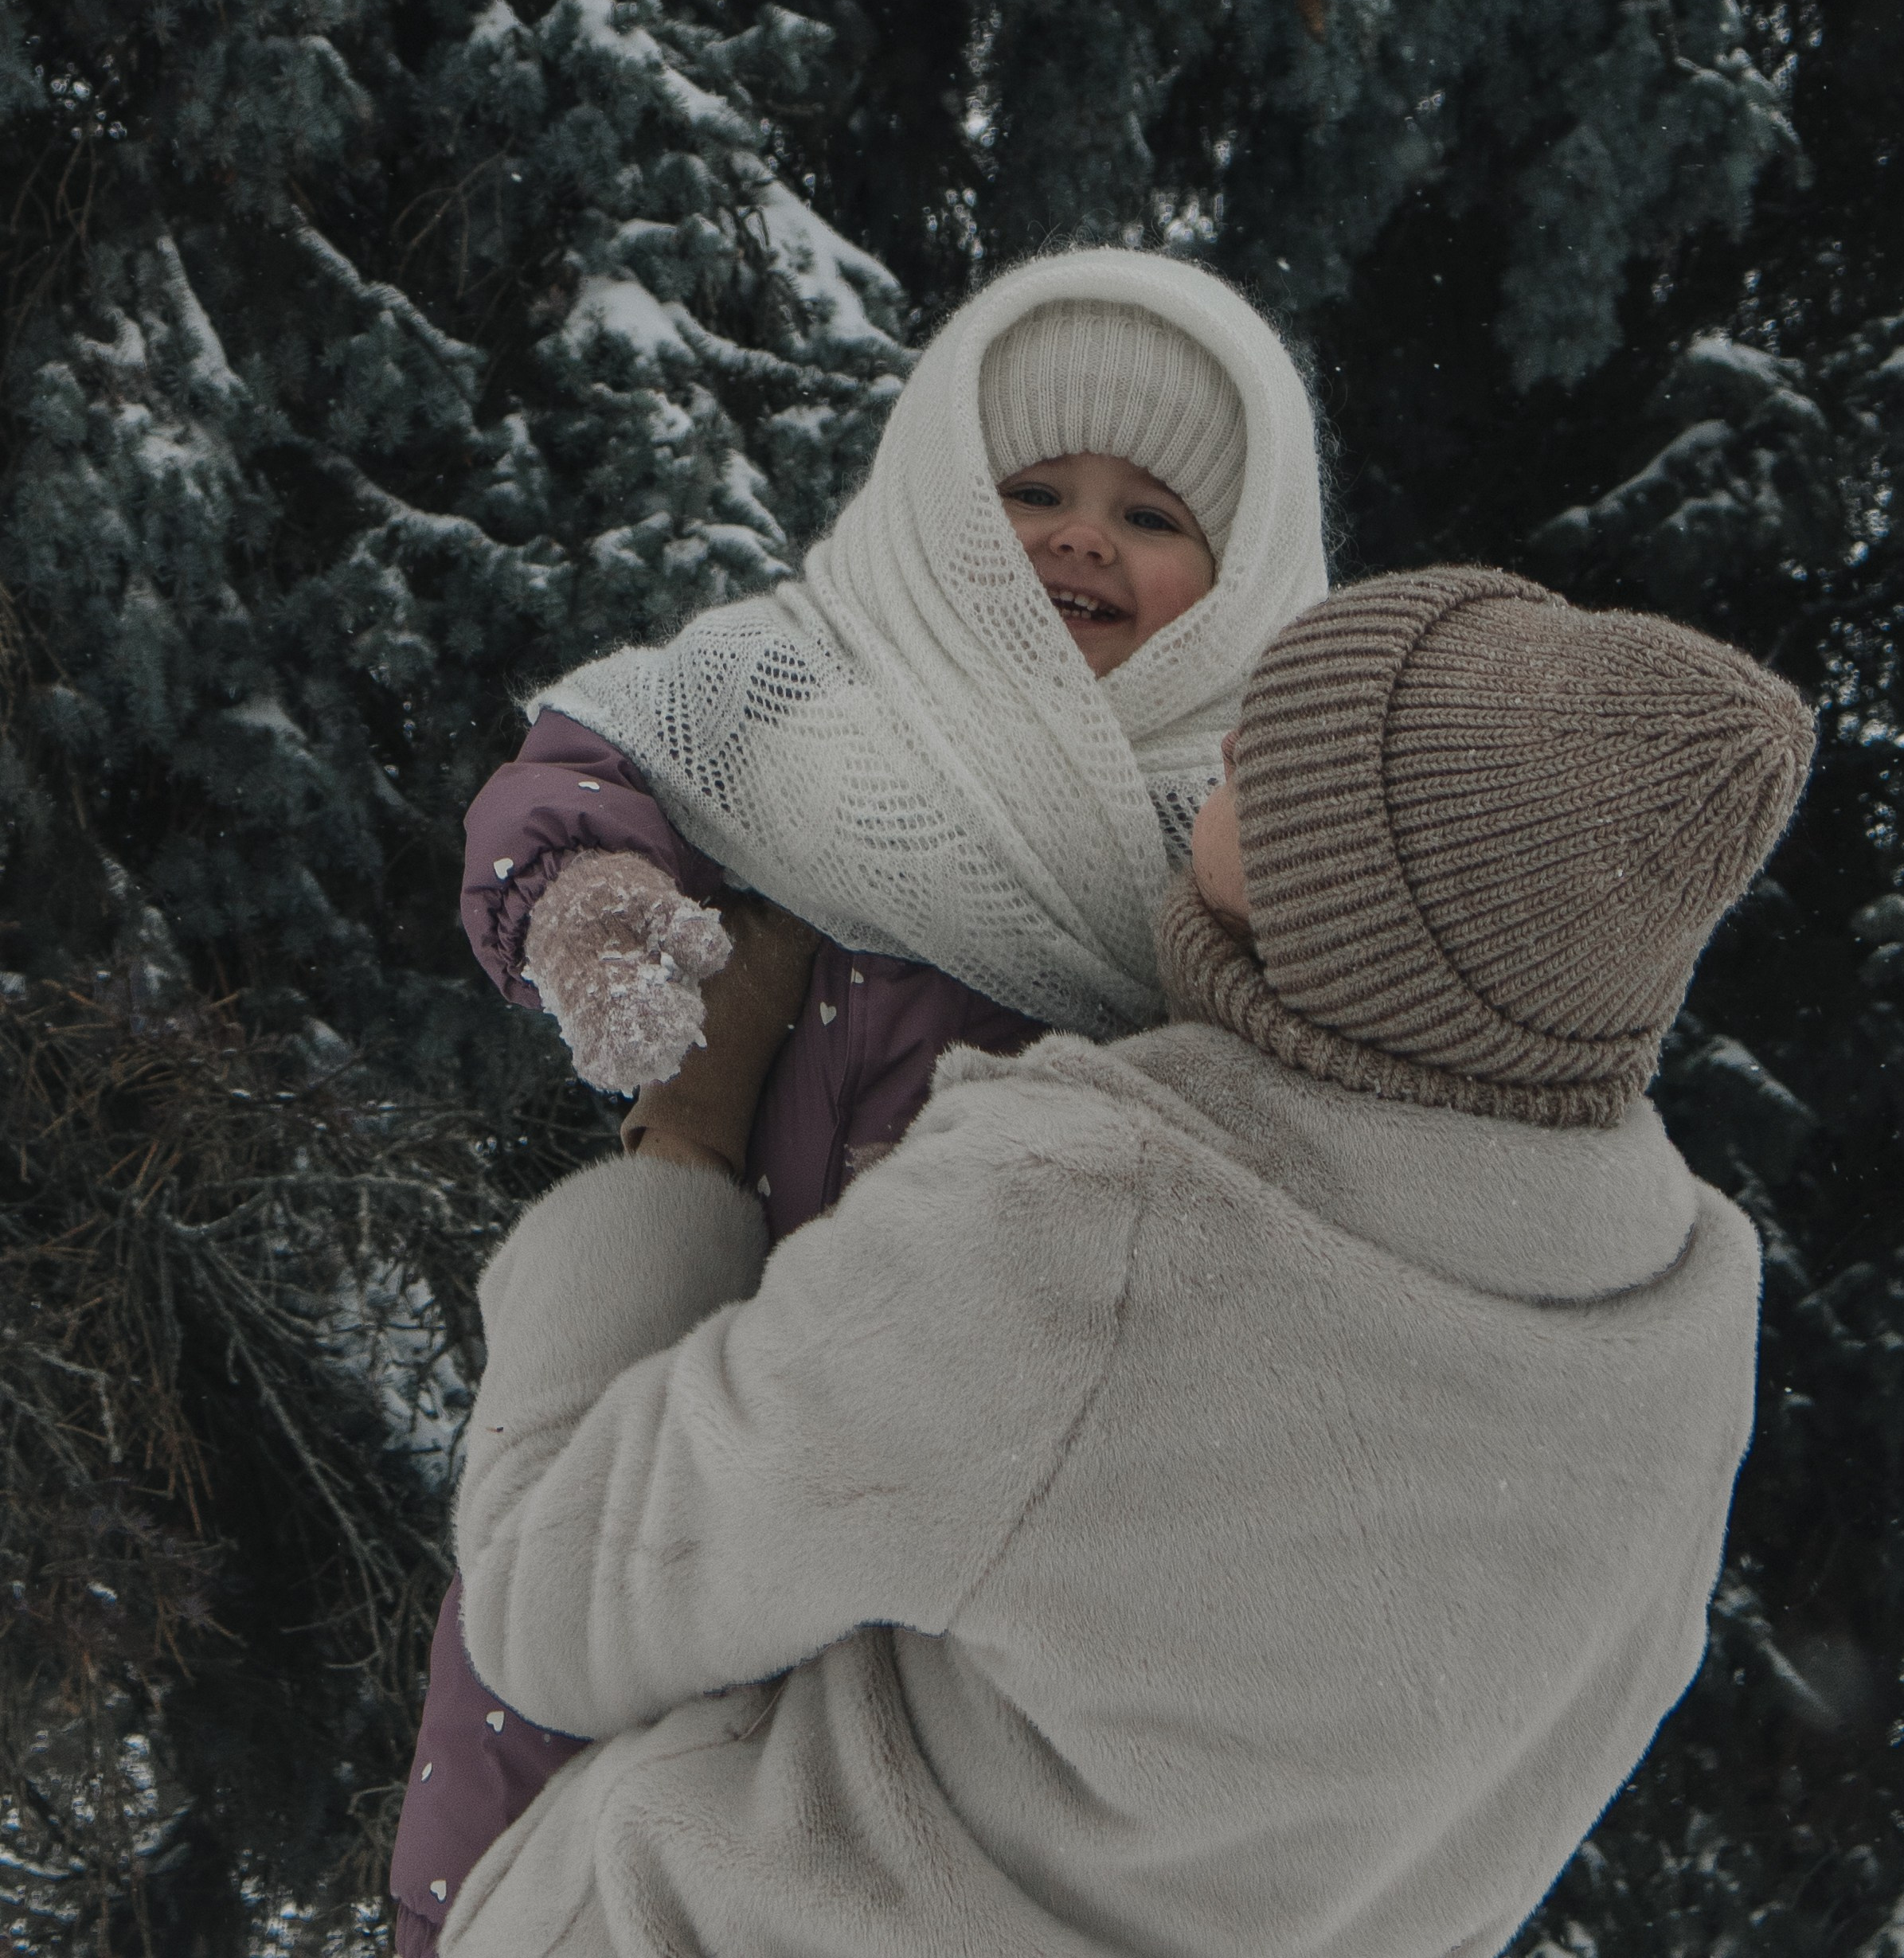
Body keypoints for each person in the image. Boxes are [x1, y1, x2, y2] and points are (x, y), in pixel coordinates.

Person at [432, 564, 1811, 1958]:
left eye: (1273, 760)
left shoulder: (1081, 1230)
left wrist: (684, 1147)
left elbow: (553, 1606)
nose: (1219, 744)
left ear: (1350, 901)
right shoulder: (1684, 1332)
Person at [389, 247, 1330, 1951]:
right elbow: (594, 766)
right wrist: (593, 907)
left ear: (1248, 567)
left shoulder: (1249, 823)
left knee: (825, 1799)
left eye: (1152, 515)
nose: (1078, 537)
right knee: (542, 1661)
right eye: (1030, 487)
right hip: (706, 1322)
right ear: (934, 503)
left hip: (985, 1415)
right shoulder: (815, 679)